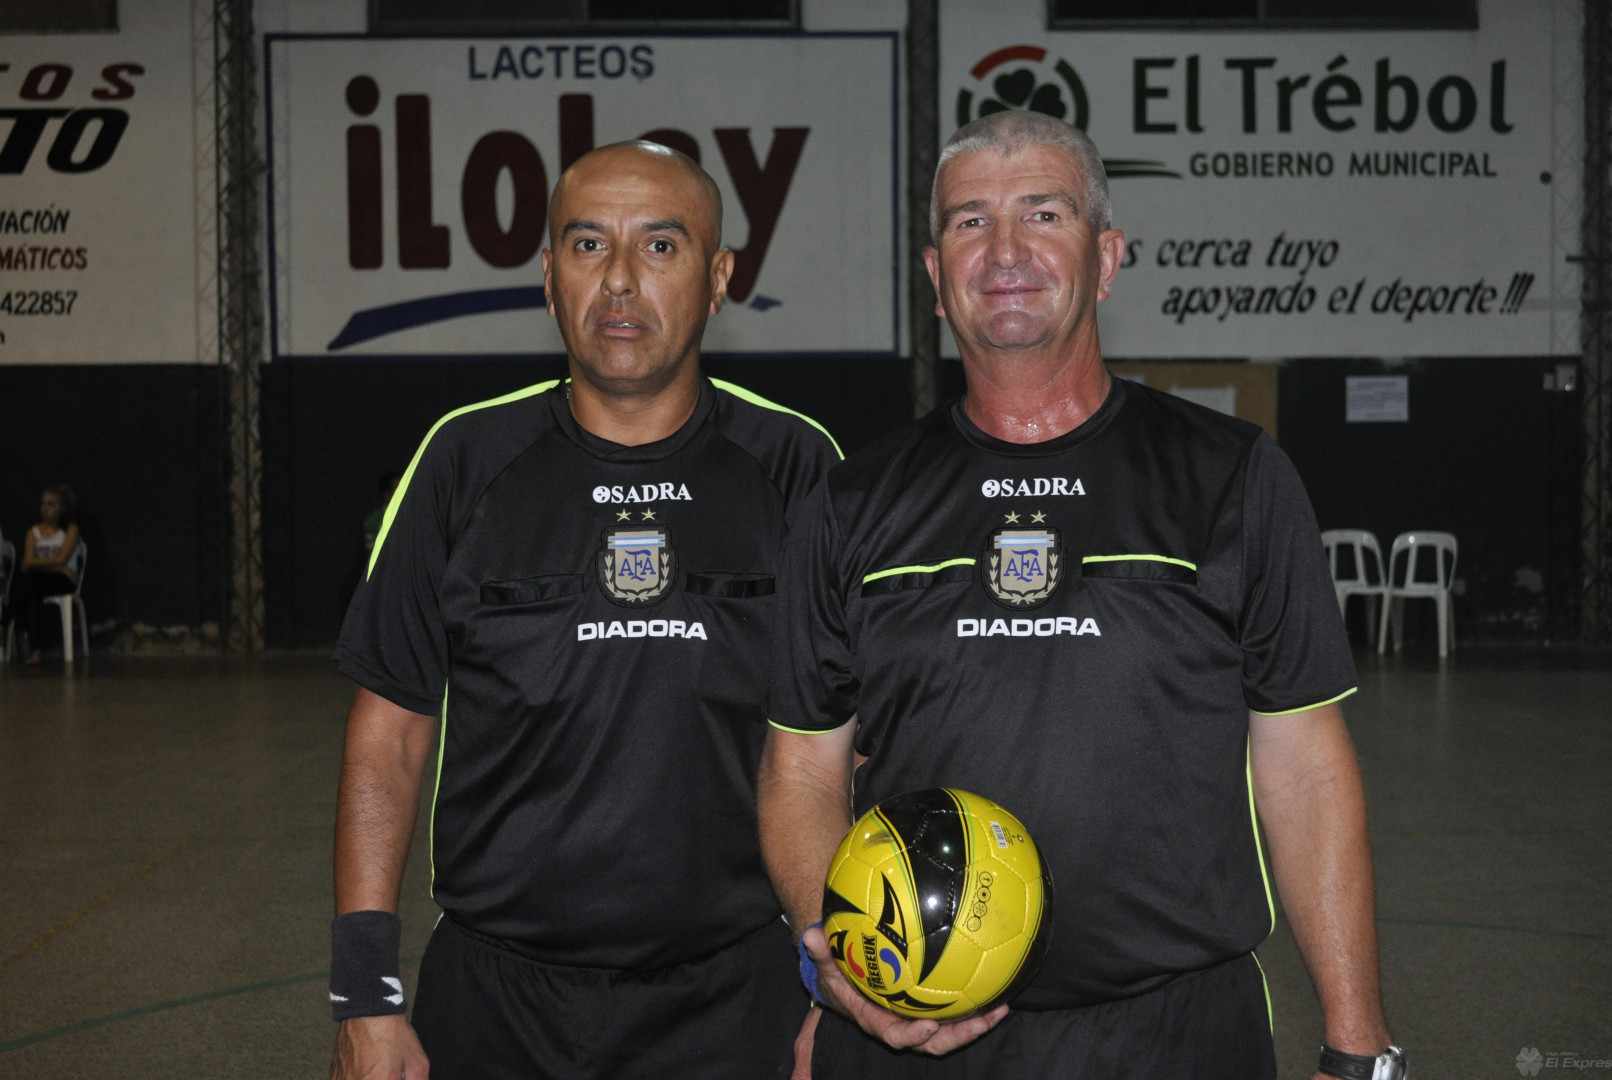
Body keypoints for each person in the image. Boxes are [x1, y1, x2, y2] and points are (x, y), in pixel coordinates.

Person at [759, 111, 1404, 1080]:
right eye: (970, 222)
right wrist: (845, 967)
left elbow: (1306, 768)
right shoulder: (852, 501)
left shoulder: (1230, 477)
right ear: (936, 276)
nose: (1004, 250)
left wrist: (1358, 1047)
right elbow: (803, 771)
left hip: (1176, 1035)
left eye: (1043, 214)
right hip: (919, 1036)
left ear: (1105, 259)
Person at [329, 140, 841, 1080]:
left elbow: (845, 747)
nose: (619, 280)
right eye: (588, 244)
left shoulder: (797, 467)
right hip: (495, 1004)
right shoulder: (461, 462)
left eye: (660, 246)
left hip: (735, 1002)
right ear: (548, 277)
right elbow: (389, 733)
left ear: (719, 278)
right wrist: (366, 994)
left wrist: (835, 988)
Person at [6, 485, 82, 666]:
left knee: (28, 582)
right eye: (43, 504)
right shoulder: (34, 532)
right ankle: (35, 647)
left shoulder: (70, 530)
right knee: (28, 587)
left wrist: (37, 563)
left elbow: (62, 559)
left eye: (51, 504)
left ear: (62, 508)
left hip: (63, 580)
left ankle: (6, 624)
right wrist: (53, 564)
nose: (46, 508)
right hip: (39, 580)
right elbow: (26, 563)